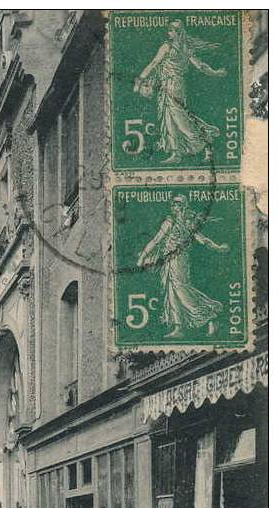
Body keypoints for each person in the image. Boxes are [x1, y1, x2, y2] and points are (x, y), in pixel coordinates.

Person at [133, 20, 227, 164]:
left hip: (172, 85)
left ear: (178, 32)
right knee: (169, 117)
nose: (168, 33)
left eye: (171, 30)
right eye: (169, 30)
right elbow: (201, 66)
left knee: (179, 118)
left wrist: (140, 79)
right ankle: (176, 153)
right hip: (173, 85)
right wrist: (215, 72)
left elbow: (153, 64)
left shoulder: (167, 46)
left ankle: (205, 141)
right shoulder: (186, 48)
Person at [137, 195, 228, 338]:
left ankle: (210, 316)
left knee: (181, 289)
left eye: (177, 204)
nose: (173, 206)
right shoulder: (169, 222)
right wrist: (143, 256)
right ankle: (178, 328)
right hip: (168, 260)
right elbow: (156, 240)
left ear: (183, 206)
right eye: (172, 204)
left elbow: (202, 239)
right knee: (171, 291)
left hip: (179, 260)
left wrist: (218, 247)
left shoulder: (188, 223)